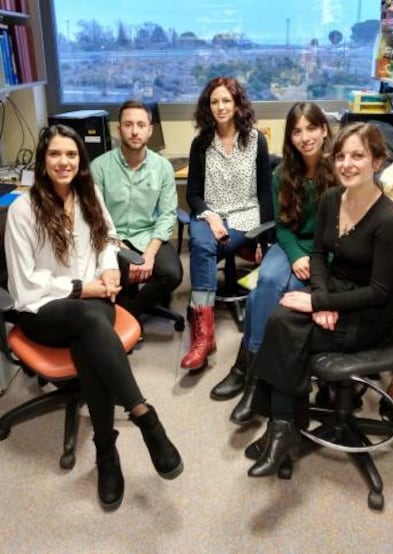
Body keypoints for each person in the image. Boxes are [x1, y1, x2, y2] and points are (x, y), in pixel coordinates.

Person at [5, 124, 183, 511]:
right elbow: (24, 283)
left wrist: (108, 271)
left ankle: (106, 453)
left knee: (91, 336)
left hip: (92, 302)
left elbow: (107, 240)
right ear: (42, 159)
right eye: (55, 154)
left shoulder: (90, 197)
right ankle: (144, 418)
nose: (64, 162)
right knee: (91, 323)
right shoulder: (23, 209)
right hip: (43, 308)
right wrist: (83, 287)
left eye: (71, 155)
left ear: (80, 161)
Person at [244, 122, 393, 477]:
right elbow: (317, 253)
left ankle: (280, 428)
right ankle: (281, 429)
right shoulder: (333, 198)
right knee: (280, 318)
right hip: (335, 292)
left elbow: (379, 292)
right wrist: (322, 297)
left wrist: (319, 304)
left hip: (370, 315)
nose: (347, 163)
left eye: (358, 156)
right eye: (342, 155)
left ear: (377, 162)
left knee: (287, 330)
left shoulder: (388, 221)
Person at [210, 102, 336, 424]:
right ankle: (253, 373)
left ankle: (252, 377)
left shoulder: (338, 170)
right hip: (290, 243)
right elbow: (282, 226)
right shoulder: (283, 174)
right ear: (290, 137)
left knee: (277, 299)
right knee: (266, 284)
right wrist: (295, 256)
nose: (305, 137)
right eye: (297, 130)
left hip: (323, 250)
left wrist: (314, 259)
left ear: (324, 129)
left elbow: (341, 233)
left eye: (311, 128)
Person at [181, 76, 273, 372]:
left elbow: (264, 192)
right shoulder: (201, 144)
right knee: (201, 242)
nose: (220, 107)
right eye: (214, 101)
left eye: (226, 101)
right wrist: (210, 216)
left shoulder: (256, 141)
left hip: (245, 216)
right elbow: (192, 194)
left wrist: (264, 240)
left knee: (202, 251)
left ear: (237, 104)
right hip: (209, 214)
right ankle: (205, 334)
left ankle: (201, 321)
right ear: (207, 107)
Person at [91, 99, 183, 325]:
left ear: (150, 131)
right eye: (128, 124)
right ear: (118, 129)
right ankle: (125, 312)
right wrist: (126, 253)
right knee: (115, 273)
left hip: (148, 235)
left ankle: (129, 315)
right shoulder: (99, 167)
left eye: (141, 125)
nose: (134, 131)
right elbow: (97, 218)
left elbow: (167, 215)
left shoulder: (162, 167)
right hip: (113, 238)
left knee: (172, 274)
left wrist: (148, 255)